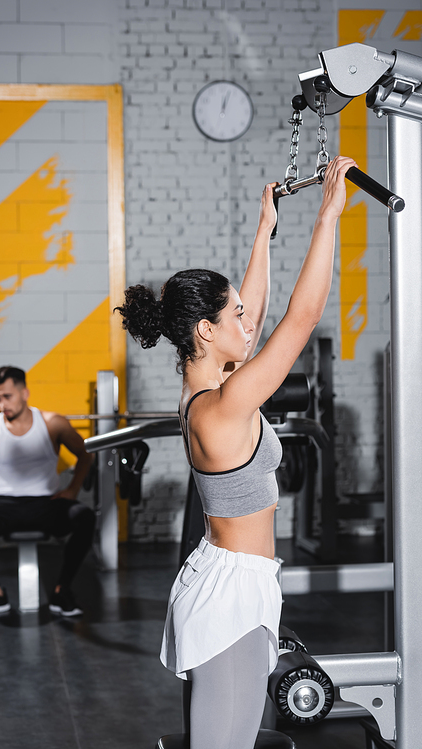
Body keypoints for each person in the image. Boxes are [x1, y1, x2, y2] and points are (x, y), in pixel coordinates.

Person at [116, 155, 356, 749]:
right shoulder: (223, 407)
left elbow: (255, 311)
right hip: (230, 597)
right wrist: (329, 216)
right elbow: (300, 321)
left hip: (230, 579)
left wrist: (264, 230)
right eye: (235, 317)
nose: (247, 323)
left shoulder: (205, 391)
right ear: (206, 330)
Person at [0, 365, 95, 619]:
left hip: (46, 505)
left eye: (7, 396)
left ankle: (62, 590)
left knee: (84, 516)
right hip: (1, 506)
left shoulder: (53, 423)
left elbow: (85, 455)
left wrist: (72, 489)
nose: (2, 404)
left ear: (24, 393)